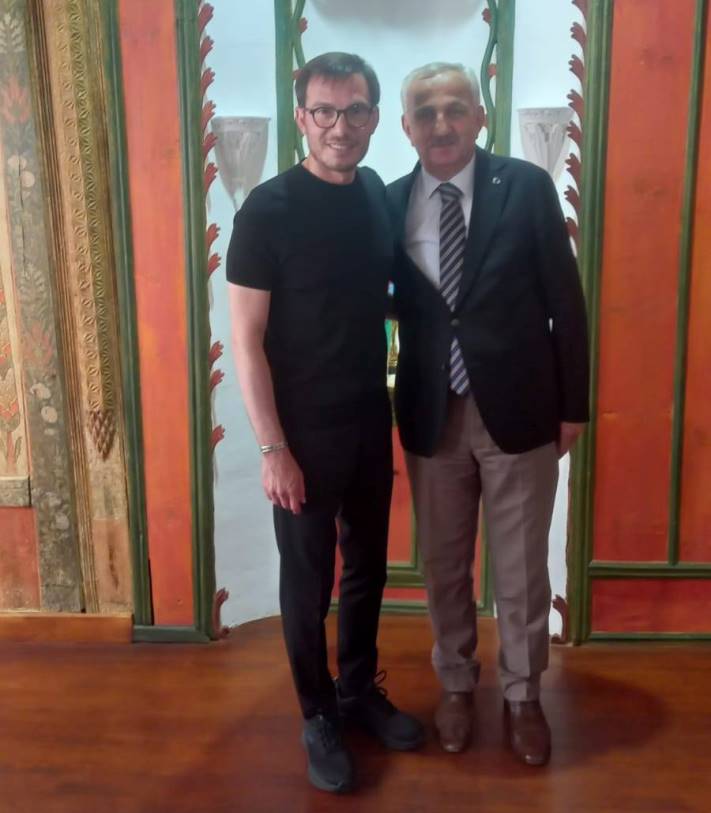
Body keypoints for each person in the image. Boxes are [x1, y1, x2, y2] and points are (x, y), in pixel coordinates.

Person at [226, 52, 424, 794]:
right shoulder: (267, 210)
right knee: (308, 582)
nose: (341, 126)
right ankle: (316, 713)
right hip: (300, 433)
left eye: (356, 110)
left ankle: (356, 690)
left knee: (368, 566)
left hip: (368, 417)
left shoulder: (374, 193)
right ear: (302, 117)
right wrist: (272, 447)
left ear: (375, 118)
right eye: (325, 111)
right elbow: (246, 340)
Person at [387, 62, 590, 764]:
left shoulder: (525, 187)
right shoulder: (387, 201)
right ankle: (454, 684)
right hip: (430, 411)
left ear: (479, 116)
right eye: (425, 112)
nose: (440, 123)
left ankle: (523, 695)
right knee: (444, 565)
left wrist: (573, 405)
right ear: (406, 126)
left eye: (454, 108)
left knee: (521, 566)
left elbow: (565, 303)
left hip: (521, 407)